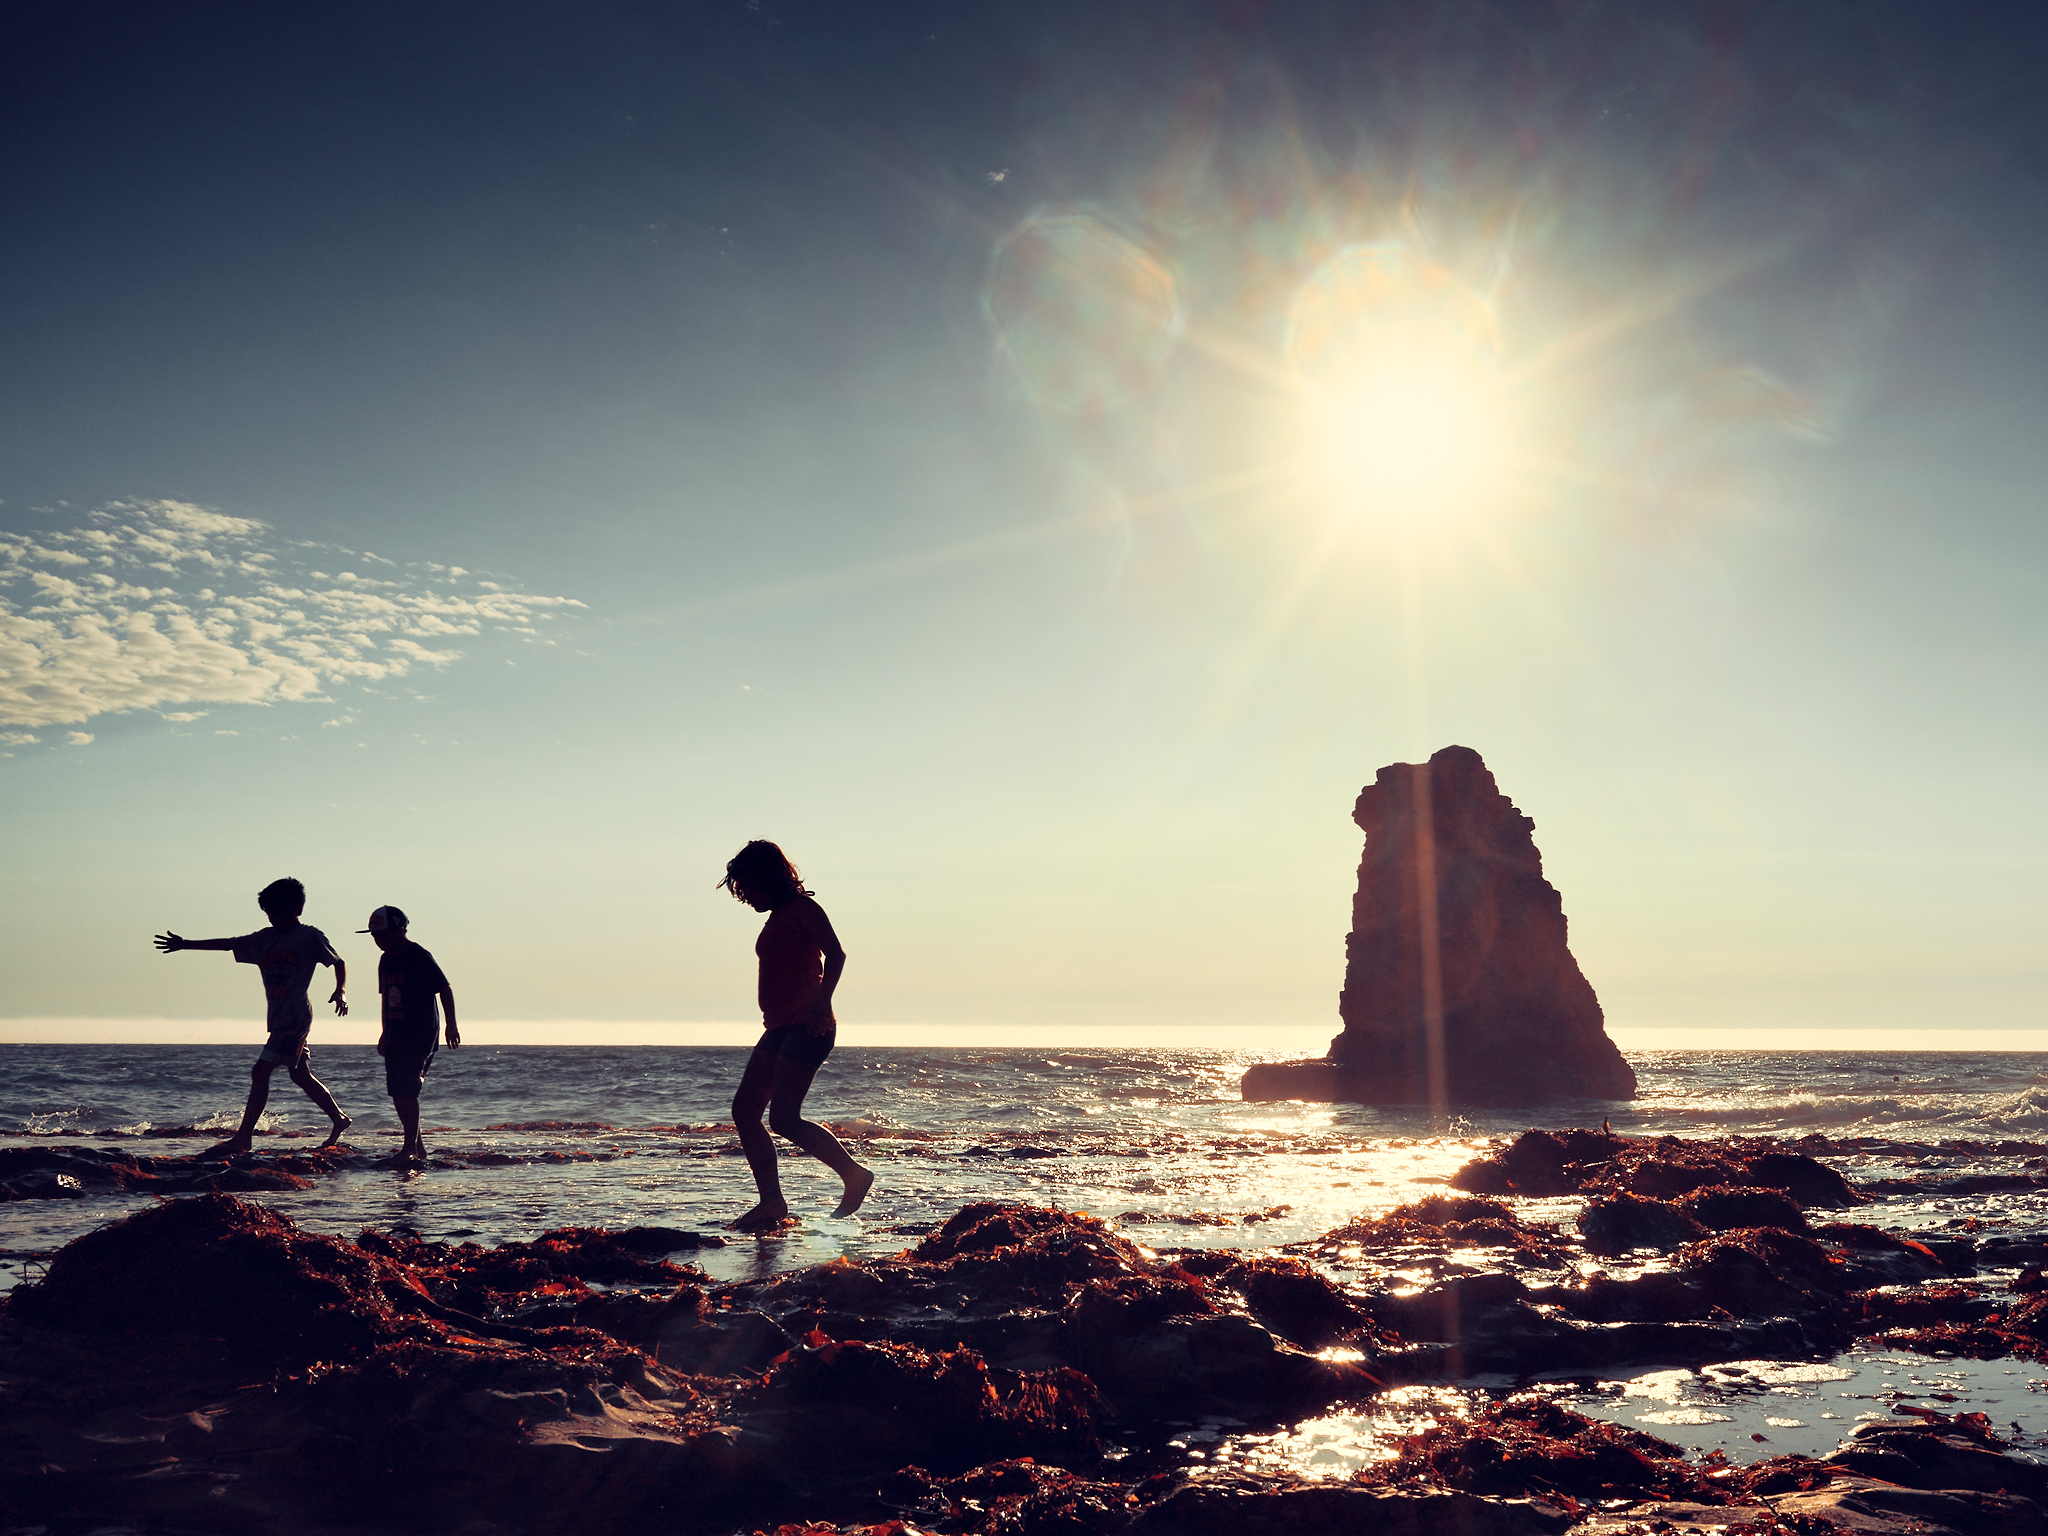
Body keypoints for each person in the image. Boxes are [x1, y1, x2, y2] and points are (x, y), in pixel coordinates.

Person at [719, 839, 873, 1231]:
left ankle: (854, 1176)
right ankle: (772, 1203)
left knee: (784, 1118)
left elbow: (836, 955)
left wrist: (823, 1002)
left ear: (768, 878)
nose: (746, 896)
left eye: (748, 887)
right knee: (745, 1111)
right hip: (780, 1026)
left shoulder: (804, 909)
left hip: (809, 1025)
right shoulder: (776, 917)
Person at [153, 876, 352, 1156]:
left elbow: (338, 961)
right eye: (268, 913)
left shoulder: (309, 936)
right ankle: (339, 1119)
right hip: (278, 1016)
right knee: (299, 1075)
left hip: (294, 1018)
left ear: (297, 909)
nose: (273, 918)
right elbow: (227, 944)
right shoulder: (265, 939)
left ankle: (244, 1137)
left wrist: (340, 991)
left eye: (278, 912)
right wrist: (186, 944)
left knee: (261, 1070)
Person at [360, 904, 460, 1164]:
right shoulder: (385, 960)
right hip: (396, 1033)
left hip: (421, 1032)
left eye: (382, 935)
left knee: (408, 1089)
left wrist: (452, 1025)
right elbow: (385, 1000)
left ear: (400, 930)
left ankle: (409, 1149)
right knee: (396, 1090)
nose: (378, 941)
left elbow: (445, 989)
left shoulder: (418, 955)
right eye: (374, 936)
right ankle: (417, 1146)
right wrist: (384, 1032)